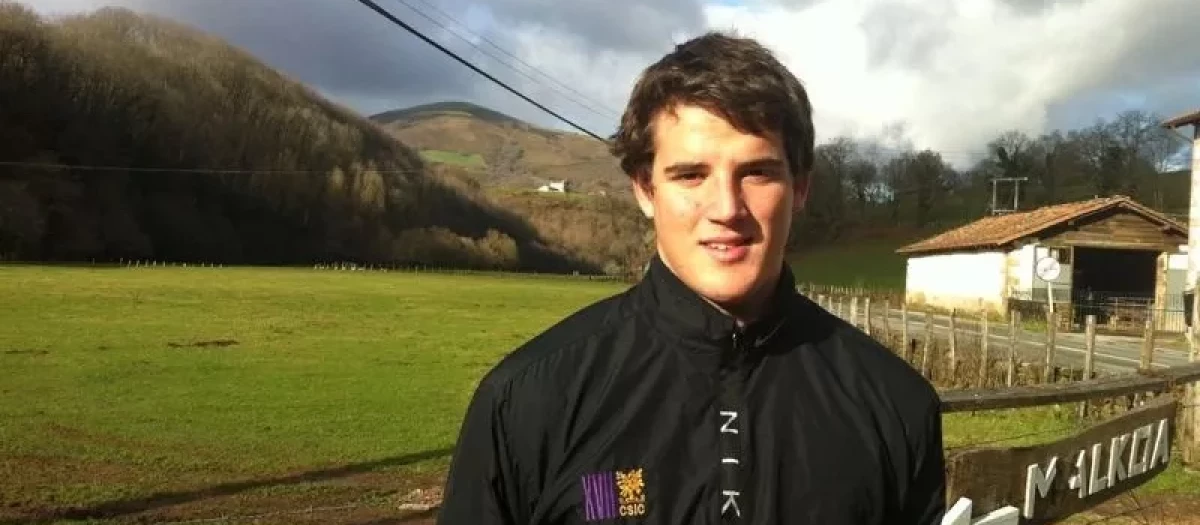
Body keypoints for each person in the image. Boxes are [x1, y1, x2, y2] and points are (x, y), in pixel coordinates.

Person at [436, 31, 946, 525]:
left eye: (757, 172)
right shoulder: (527, 400)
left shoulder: (895, 404)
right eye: (690, 175)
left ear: (800, 188)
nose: (726, 208)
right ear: (644, 189)